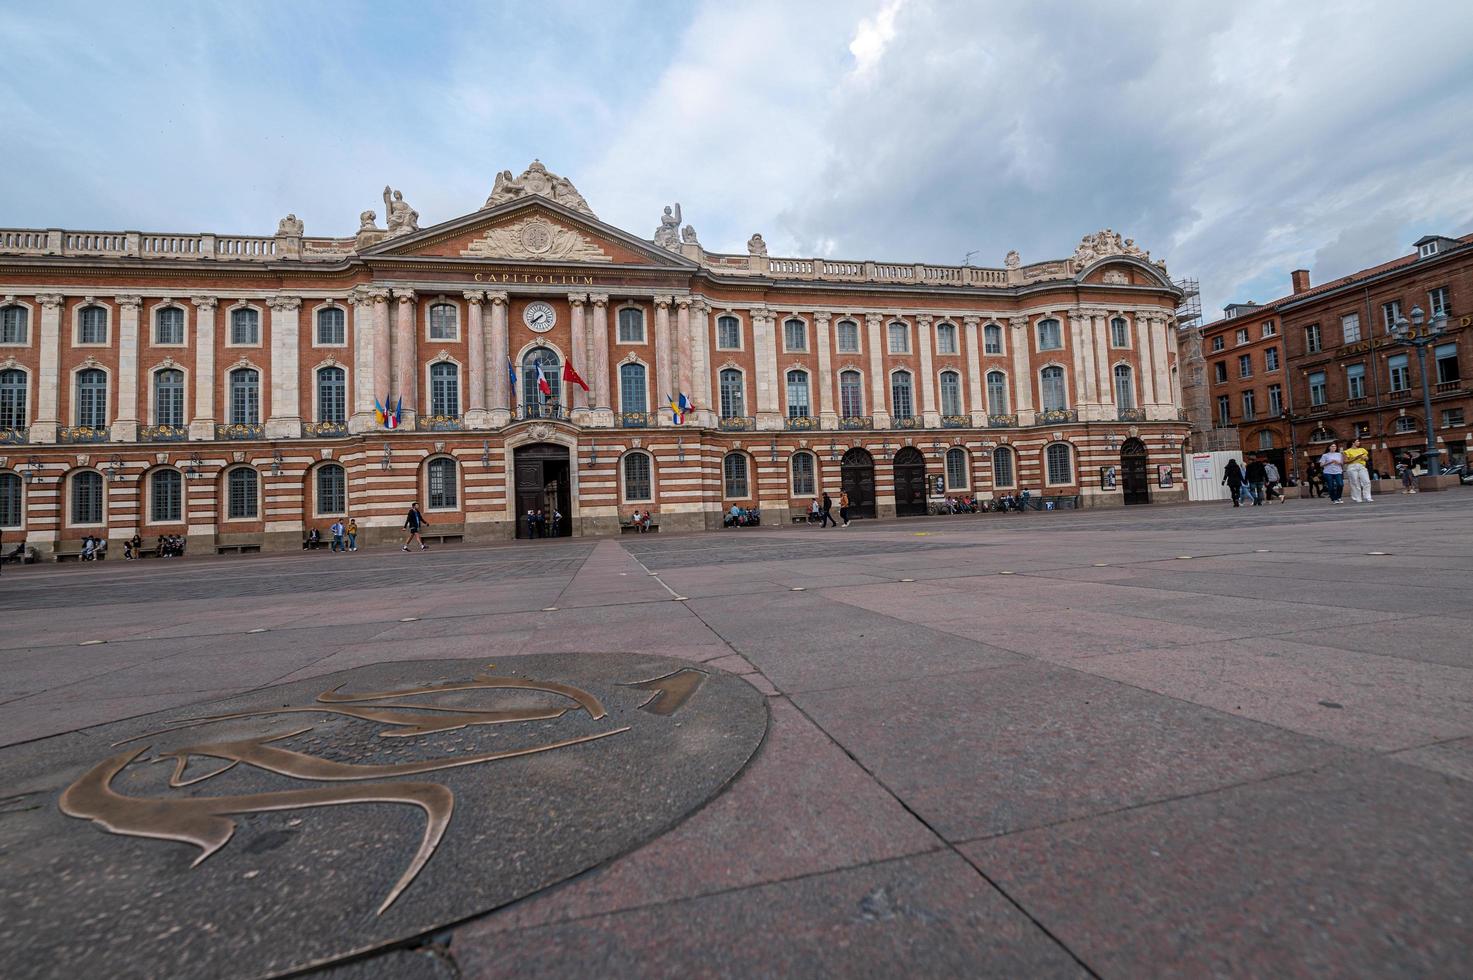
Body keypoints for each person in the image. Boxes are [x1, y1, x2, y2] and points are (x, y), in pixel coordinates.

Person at [1343, 437, 1372, 503]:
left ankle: (1368, 497)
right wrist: (1355, 458)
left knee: (1366, 481)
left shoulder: (1362, 450)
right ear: (1353, 443)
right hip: (1352, 467)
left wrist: (1365, 458)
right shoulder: (1347, 451)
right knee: (1355, 482)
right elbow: (1345, 461)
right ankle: (1357, 498)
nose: (1359, 442)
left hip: (1361, 466)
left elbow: (1367, 459)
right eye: (1357, 441)